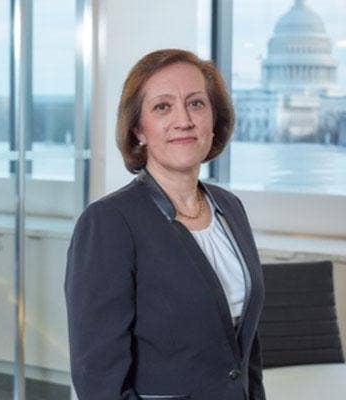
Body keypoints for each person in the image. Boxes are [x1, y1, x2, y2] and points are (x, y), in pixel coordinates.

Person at [65, 48, 266, 400]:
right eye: (162, 107)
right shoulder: (109, 223)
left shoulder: (230, 208)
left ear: (214, 119)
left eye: (196, 103)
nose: (183, 120)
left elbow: (245, 354)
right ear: (138, 130)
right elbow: (98, 379)